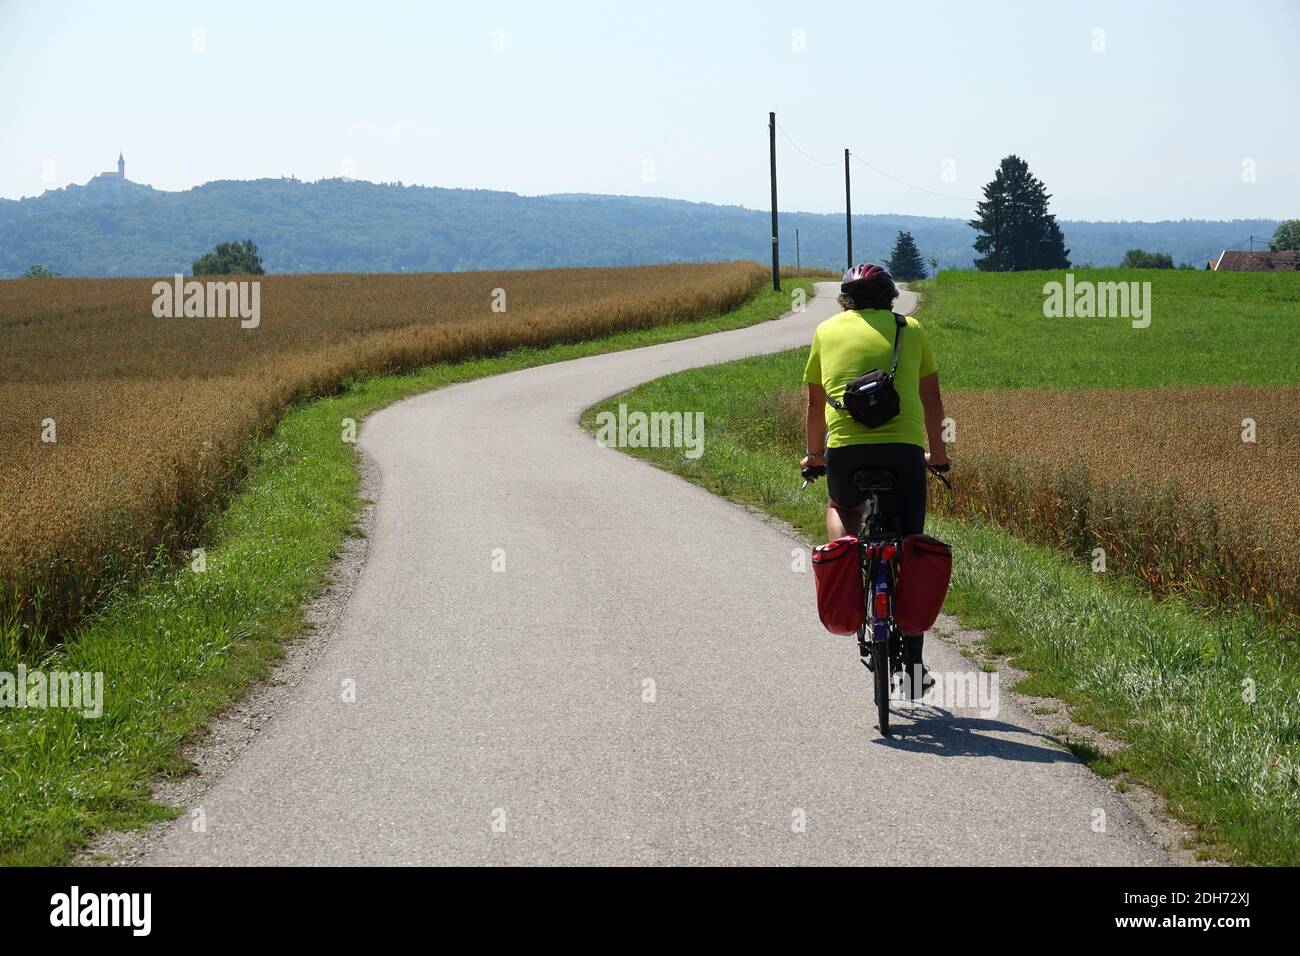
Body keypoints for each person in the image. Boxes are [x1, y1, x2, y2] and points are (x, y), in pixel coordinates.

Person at [801, 263, 949, 697]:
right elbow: (932, 399)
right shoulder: (912, 329)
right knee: (910, 542)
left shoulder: (826, 331)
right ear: (889, 297)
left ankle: (845, 553)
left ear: (846, 297)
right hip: (903, 452)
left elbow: (814, 402)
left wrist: (814, 456)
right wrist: (937, 456)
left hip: (845, 451)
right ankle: (916, 666)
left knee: (842, 507)